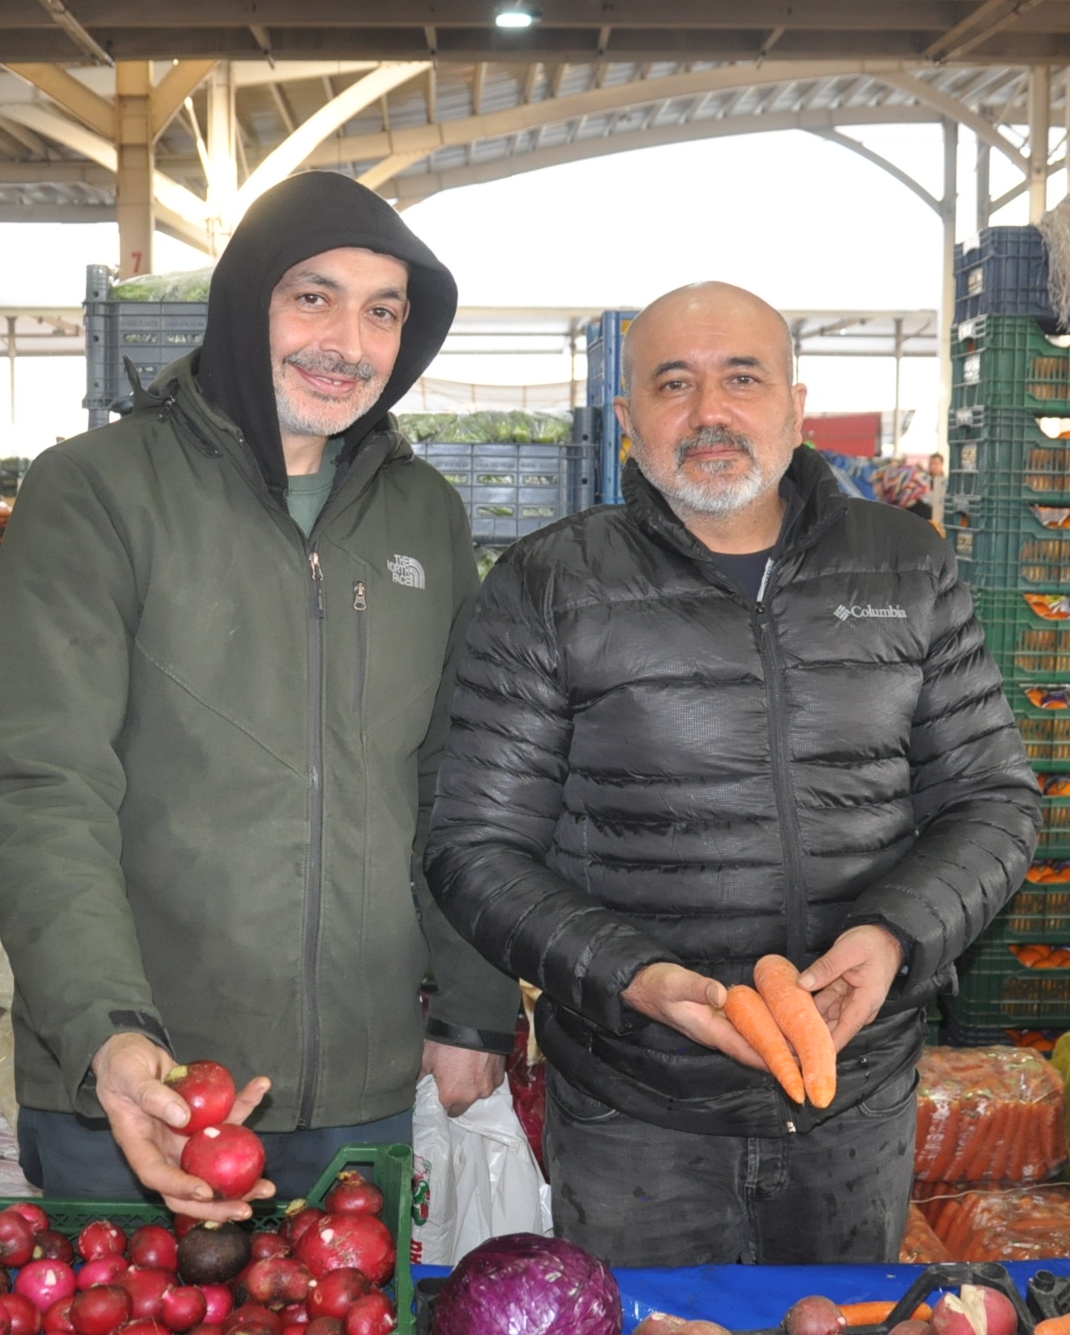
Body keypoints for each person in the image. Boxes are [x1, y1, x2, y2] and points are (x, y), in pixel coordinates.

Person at [424, 281, 1038, 1265]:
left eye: (740, 377)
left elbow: (993, 800)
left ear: (795, 405)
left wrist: (891, 935)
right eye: (673, 383)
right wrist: (640, 979)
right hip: (636, 1109)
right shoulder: (549, 586)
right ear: (627, 422)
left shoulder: (905, 567)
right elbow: (474, 849)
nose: (709, 411)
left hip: (853, 1097)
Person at [0, 172, 519, 1219]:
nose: (346, 341)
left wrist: (475, 1004)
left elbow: (457, 775)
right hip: (143, 1089)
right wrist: (106, 1032)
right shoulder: (97, 490)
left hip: (361, 1087)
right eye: (312, 296)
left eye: (382, 310)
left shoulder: (423, 516)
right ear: (243, 300)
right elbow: (39, 780)